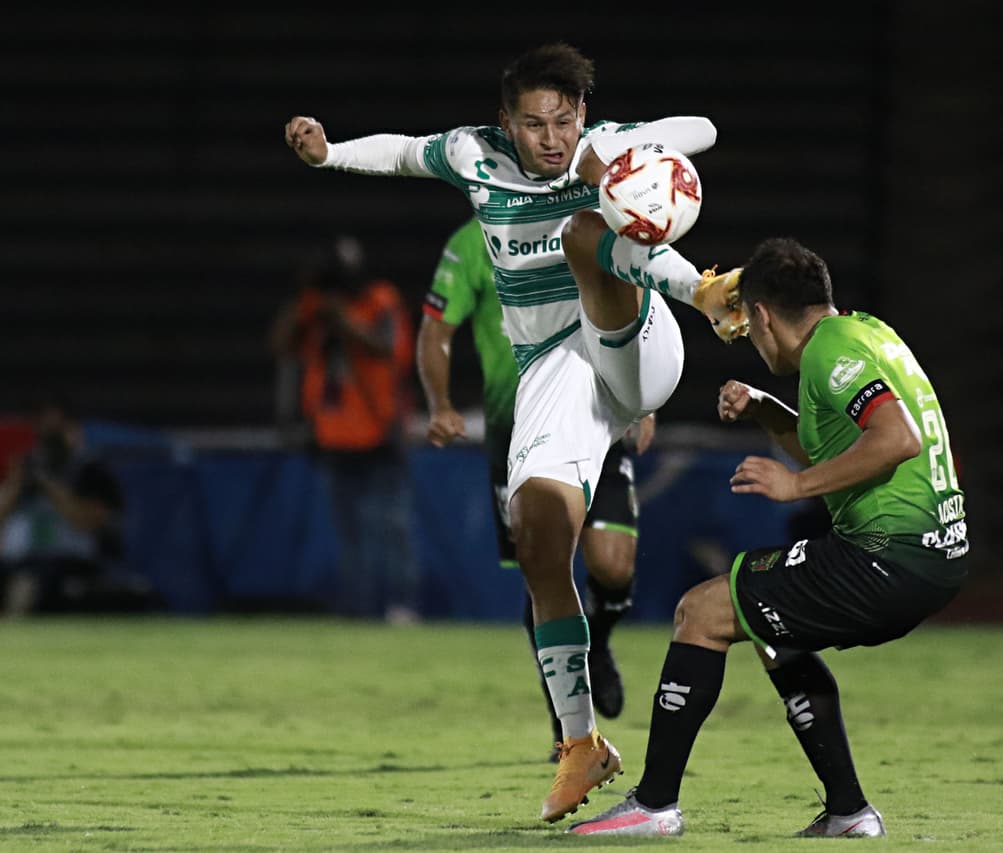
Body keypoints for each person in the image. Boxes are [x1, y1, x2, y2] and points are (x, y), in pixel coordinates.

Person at [285, 42, 748, 822]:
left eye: (565, 122)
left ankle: (705, 286)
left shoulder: (599, 150)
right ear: (507, 122)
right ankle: (580, 744)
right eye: (534, 123)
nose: (551, 138)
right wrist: (328, 153)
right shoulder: (474, 154)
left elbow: (700, 126)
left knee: (580, 233)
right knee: (539, 536)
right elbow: (401, 152)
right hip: (552, 369)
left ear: (581, 117)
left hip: (638, 348)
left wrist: (624, 154)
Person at [568, 237, 970, 838]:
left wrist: (795, 486)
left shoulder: (833, 353)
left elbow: (896, 441)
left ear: (760, 314)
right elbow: (836, 446)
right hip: (936, 554)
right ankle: (848, 812)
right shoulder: (865, 335)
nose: (748, 340)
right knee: (769, 629)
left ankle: (653, 806)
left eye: (745, 327)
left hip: (888, 556)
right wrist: (764, 408)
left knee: (700, 611)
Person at [418, 215, 656, 756]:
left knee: (614, 564)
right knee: (545, 568)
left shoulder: (585, 220)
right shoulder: (470, 242)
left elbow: (636, 299)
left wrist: (648, 392)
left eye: (560, 124)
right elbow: (436, 331)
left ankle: (599, 641)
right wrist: (441, 405)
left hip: (596, 412)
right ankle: (567, 725)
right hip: (518, 430)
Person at [268, 235, 421, 623]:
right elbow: (281, 345)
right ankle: (359, 610)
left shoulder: (379, 300)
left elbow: (386, 345)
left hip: (379, 429)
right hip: (335, 436)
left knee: (391, 527)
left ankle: (401, 605)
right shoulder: (315, 306)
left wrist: (344, 320)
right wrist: (305, 301)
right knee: (349, 533)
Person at [0, 400, 152, 616]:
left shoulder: (91, 472)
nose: (50, 441)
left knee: (33, 581)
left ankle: (14, 630)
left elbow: (87, 522)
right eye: (44, 432)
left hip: (68, 560)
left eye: (57, 432)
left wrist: (51, 485)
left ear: (74, 431)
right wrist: (14, 485)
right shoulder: (23, 470)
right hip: (19, 558)